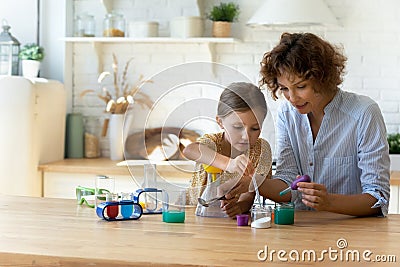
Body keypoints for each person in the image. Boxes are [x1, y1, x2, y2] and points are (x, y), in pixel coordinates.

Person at [220, 32, 390, 217]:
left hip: (353, 232)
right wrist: (253, 182)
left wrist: (329, 202)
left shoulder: (364, 113)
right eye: (284, 88)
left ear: (323, 77)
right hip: (303, 229)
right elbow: (287, 184)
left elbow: (377, 197)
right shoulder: (287, 114)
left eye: (301, 87)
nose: (292, 98)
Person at [183, 82, 273, 218]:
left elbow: (251, 191)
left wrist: (240, 206)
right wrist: (228, 164)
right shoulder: (213, 142)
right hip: (194, 215)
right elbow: (190, 150)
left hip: (229, 220)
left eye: (255, 129)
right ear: (220, 122)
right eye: (237, 127)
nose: (246, 136)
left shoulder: (261, 150)